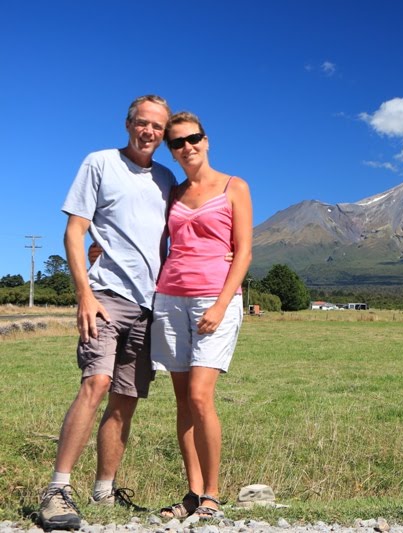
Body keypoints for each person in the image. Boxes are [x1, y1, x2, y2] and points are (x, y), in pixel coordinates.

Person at [39, 95, 176, 531]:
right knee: (94, 383)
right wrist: (84, 293)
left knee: (125, 401)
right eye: (143, 123)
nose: (149, 132)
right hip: (105, 296)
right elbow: (75, 231)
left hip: (147, 305)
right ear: (128, 124)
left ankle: (104, 491)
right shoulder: (99, 163)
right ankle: (57, 490)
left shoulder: (167, 179)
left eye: (158, 126)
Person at [150, 111, 252, 519]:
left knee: (200, 395)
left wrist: (222, 303)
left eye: (193, 138)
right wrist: (99, 250)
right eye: (177, 142)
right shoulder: (171, 193)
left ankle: (212, 493)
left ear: (206, 140)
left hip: (214, 300)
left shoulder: (234, 186)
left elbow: (243, 250)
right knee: (181, 402)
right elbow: (150, 240)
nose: (187, 147)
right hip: (170, 298)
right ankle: (191, 493)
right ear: (171, 151)